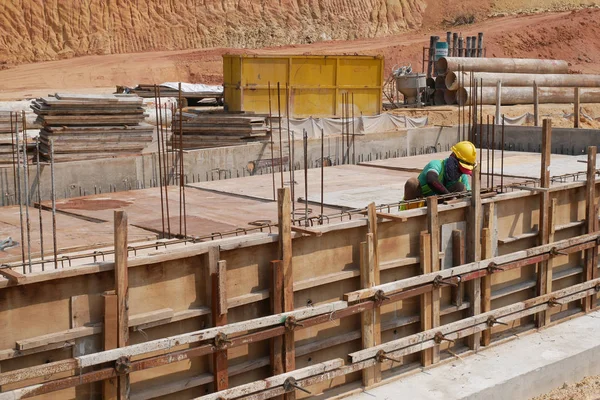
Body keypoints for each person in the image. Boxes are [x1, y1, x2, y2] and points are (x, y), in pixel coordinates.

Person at [402, 141, 477, 209]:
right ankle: (413, 214)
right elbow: (431, 179)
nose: (460, 172)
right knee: (412, 183)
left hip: (437, 206)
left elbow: (469, 195)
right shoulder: (437, 164)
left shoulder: (462, 176)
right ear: (453, 157)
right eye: (459, 168)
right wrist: (450, 197)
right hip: (418, 204)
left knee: (460, 187)